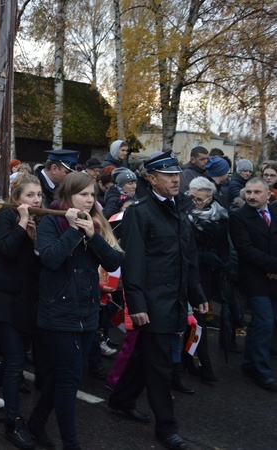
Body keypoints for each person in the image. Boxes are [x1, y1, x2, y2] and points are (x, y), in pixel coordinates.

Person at [108, 151, 208, 450]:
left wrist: (197, 293)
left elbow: (186, 256)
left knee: (146, 356)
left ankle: (121, 399)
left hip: (174, 299)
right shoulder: (139, 211)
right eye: (167, 174)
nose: (176, 179)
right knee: (161, 365)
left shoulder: (179, 208)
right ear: (151, 178)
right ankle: (167, 428)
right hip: (152, 302)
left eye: (177, 173)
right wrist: (136, 304)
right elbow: (133, 261)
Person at [27, 172, 123, 450]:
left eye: (92, 195)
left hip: (88, 312)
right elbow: (51, 260)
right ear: (68, 196)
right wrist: (72, 230)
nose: (89, 199)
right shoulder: (50, 222)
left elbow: (115, 260)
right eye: (83, 194)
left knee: (64, 374)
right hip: (58, 313)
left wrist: (93, 236)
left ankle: (36, 421)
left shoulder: (96, 222)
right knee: (69, 379)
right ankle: (72, 443)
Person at [0, 174, 44, 449]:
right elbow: (5, 250)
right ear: (17, 198)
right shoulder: (6, 216)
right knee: (16, 359)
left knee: (16, 358)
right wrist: (21, 223)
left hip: (28, 300)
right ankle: (13, 422)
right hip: (5, 299)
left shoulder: (40, 220)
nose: (36, 200)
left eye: (39, 194)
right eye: (30, 195)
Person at [228, 177, 277, 391]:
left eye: (257, 192)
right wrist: (274, 266)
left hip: (274, 276)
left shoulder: (275, 213)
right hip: (254, 278)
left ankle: (249, 363)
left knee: (265, 322)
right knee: (265, 321)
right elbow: (245, 249)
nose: (252, 196)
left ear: (269, 194)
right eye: (248, 192)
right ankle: (261, 370)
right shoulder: (239, 217)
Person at [185, 177, 229, 385]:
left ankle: (189, 359)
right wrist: (203, 257)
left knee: (196, 320)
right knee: (196, 321)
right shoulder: (183, 214)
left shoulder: (221, 215)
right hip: (189, 273)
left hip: (209, 275)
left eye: (199, 200)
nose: (194, 202)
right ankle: (204, 363)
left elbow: (225, 246)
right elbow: (182, 248)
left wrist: (223, 264)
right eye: (191, 197)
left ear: (210, 198)